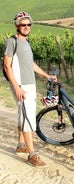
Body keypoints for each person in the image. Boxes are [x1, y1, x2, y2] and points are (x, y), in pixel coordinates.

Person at [2, 11, 57, 167]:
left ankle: (21, 145)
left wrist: (47, 75)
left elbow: (31, 65)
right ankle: (32, 155)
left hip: (30, 84)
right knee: (27, 118)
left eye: (28, 24)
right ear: (16, 26)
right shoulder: (12, 42)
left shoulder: (26, 42)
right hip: (21, 86)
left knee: (23, 114)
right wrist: (16, 87)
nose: (26, 27)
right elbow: (7, 66)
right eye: (23, 24)